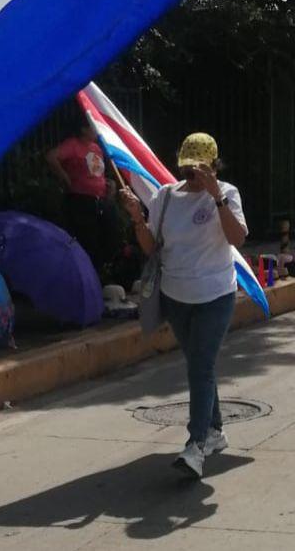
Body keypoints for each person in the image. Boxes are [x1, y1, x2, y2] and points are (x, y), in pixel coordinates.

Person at [118, 132, 248, 479]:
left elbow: (237, 238)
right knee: (198, 364)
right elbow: (150, 246)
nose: (192, 176)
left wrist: (216, 197)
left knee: (200, 368)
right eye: (187, 169)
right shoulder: (165, 196)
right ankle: (216, 431)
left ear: (213, 166)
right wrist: (135, 217)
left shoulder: (227, 193)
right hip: (176, 296)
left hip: (216, 295)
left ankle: (195, 447)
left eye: (199, 169)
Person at [46, 112, 121, 284]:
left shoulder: (96, 148)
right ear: (83, 129)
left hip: (100, 200)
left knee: (109, 237)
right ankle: (87, 280)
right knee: (88, 241)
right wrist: (64, 176)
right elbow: (51, 157)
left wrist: (108, 185)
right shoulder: (73, 145)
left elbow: (97, 173)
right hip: (81, 200)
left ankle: (99, 275)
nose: (95, 129)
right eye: (91, 126)